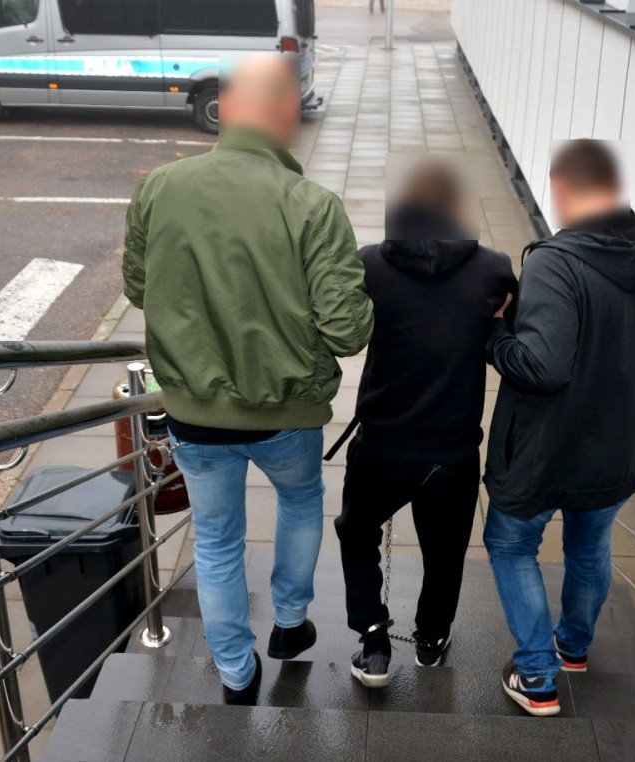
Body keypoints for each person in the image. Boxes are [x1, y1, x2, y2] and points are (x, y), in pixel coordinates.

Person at [122, 53, 373, 706]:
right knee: (300, 501)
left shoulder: (159, 187)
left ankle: (236, 672)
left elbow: (139, 286)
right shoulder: (313, 205)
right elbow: (347, 331)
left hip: (194, 410)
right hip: (289, 410)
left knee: (216, 540)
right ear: (287, 116)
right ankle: (290, 622)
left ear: (228, 109)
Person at [483, 139, 635, 716]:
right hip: (621, 443)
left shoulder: (557, 261)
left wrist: (494, 333)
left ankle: (536, 676)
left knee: (511, 544)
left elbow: (542, 367)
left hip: (548, 448)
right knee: (590, 546)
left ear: (562, 187)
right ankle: (572, 648)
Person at [335, 161, 517, 688]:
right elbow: (509, 331)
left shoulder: (370, 262)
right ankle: (431, 638)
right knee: (445, 553)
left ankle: (373, 642)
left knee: (356, 532)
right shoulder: (494, 269)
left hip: (382, 442)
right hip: (452, 449)